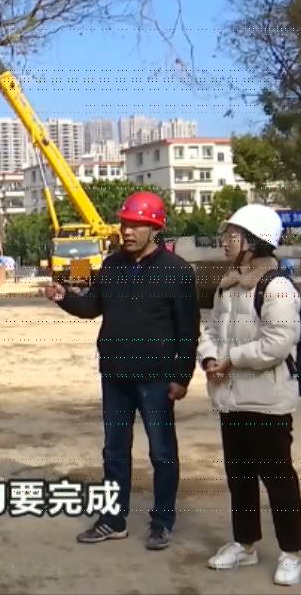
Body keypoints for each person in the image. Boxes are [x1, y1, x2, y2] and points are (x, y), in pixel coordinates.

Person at [43, 191, 199, 551]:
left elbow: (188, 330)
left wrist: (182, 377)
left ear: (155, 228)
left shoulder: (176, 272)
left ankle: (162, 522)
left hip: (156, 379)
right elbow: (91, 307)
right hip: (115, 376)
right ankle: (113, 520)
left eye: (136, 225)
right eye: (125, 224)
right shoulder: (112, 266)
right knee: (114, 451)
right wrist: (64, 298)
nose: (127, 231)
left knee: (162, 453)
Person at [196, 204, 301, 586]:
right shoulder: (228, 285)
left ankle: (291, 553)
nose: (225, 242)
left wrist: (231, 359)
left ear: (254, 242)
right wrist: (210, 357)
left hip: (267, 402)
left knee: (278, 479)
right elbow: (211, 330)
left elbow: (277, 343)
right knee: (240, 477)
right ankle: (245, 545)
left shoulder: (276, 287)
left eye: (232, 236)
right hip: (231, 399)